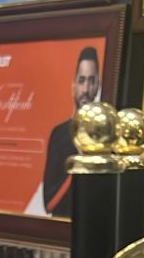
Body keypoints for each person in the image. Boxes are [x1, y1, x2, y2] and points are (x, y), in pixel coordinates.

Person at [42, 46, 100, 219]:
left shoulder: (105, 136)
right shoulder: (59, 134)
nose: (86, 89)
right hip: (62, 224)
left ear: (98, 85)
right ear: (73, 85)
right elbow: (49, 202)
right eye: (82, 81)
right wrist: (79, 161)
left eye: (91, 81)